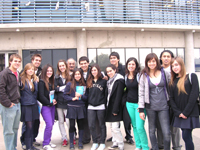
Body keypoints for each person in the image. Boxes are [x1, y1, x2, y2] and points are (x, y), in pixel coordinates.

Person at [139, 53, 171, 150]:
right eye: (149, 61)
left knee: (166, 132)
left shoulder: (164, 73)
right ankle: (155, 148)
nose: (152, 63)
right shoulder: (144, 76)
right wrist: (141, 110)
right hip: (150, 107)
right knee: (152, 130)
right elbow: (141, 93)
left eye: (153, 61)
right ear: (147, 63)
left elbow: (171, 87)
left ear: (157, 61)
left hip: (164, 107)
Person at [169, 57, 200, 150]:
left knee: (186, 136)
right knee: (186, 136)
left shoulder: (191, 76)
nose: (174, 67)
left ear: (181, 65)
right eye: (172, 66)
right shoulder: (172, 81)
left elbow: (194, 96)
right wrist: (178, 113)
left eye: (176, 65)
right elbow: (171, 99)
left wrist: (185, 113)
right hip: (179, 113)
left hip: (189, 113)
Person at [107, 52, 134, 145]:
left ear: (118, 59)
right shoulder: (110, 70)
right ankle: (115, 136)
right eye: (111, 58)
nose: (112, 60)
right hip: (115, 99)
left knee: (127, 119)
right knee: (115, 120)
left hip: (125, 98)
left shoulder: (123, 69)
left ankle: (128, 135)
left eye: (114, 58)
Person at [159, 50, 182, 150]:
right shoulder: (158, 70)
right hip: (160, 103)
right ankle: (161, 145)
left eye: (168, 56)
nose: (166, 58)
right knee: (160, 127)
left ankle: (176, 146)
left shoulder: (175, 71)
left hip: (173, 104)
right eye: (164, 56)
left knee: (174, 128)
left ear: (172, 58)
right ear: (161, 58)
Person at [125, 57, 149, 150]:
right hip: (129, 104)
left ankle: (145, 147)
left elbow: (143, 91)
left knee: (140, 127)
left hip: (140, 105)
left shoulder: (140, 75)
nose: (131, 66)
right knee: (134, 126)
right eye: (129, 64)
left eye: (133, 64)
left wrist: (141, 106)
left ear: (136, 65)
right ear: (127, 65)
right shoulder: (126, 76)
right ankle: (138, 145)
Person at [0, 53, 22, 150]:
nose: (17, 63)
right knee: (8, 131)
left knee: (15, 129)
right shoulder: (4, 73)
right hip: (8, 106)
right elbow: (1, 89)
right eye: (15, 61)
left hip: (17, 104)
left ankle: (13, 147)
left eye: (19, 61)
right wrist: (7, 103)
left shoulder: (17, 74)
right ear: (10, 61)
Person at [21, 53, 42, 149]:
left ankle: (31, 143)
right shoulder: (22, 80)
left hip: (34, 104)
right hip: (26, 105)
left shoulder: (34, 80)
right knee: (27, 126)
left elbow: (35, 92)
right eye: (29, 69)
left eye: (32, 70)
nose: (31, 71)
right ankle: (26, 143)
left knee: (33, 125)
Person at [63, 68, 88, 149]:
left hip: (81, 107)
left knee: (81, 125)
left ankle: (80, 142)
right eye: (76, 74)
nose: (77, 75)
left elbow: (87, 97)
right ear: (73, 75)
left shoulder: (84, 85)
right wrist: (72, 98)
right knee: (72, 126)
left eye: (79, 74)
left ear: (81, 75)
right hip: (72, 107)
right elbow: (64, 95)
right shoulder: (69, 84)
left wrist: (81, 96)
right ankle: (71, 143)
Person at [87, 64, 107, 150]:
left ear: (98, 71)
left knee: (102, 125)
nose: (93, 71)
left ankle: (102, 142)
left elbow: (106, 94)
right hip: (91, 106)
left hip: (101, 106)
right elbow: (87, 94)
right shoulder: (89, 81)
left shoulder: (103, 81)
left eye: (95, 70)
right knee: (91, 125)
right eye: (92, 70)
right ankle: (95, 142)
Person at [105, 64, 125, 150]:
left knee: (115, 127)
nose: (109, 73)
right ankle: (115, 142)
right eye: (107, 71)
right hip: (109, 105)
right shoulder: (110, 80)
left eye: (110, 71)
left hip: (115, 107)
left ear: (115, 70)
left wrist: (115, 109)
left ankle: (121, 145)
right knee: (111, 127)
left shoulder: (119, 80)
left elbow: (118, 96)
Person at [38, 64, 57, 150]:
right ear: (44, 72)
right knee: (49, 124)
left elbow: (54, 93)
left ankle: (48, 141)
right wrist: (49, 103)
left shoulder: (51, 81)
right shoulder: (41, 82)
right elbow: (41, 96)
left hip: (52, 106)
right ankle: (45, 144)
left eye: (51, 71)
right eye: (48, 71)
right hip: (45, 106)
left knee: (52, 124)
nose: (49, 72)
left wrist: (54, 100)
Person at [54, 60, 71, 146]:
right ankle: (64, 138)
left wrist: (60, 88)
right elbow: (55, 89)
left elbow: (72, 87)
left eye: (63, 65)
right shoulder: (56, 77)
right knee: (61, 121)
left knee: (68, 121)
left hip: (68, 101)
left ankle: (72, 137)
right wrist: (64, 88)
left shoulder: (70, 76)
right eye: (60, 66)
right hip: (59, 102)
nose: (61, 67)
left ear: (66, 66)